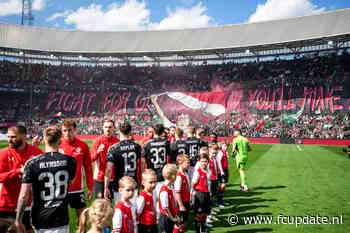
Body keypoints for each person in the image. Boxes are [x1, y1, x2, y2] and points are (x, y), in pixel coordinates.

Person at [15, 126, 76, 233]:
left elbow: (24, 195)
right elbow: (69, 183)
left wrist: (18, 219)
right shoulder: (70, 161)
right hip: (61, 217)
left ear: (44, 140)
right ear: (60, 140)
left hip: (41, 217)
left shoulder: (32, 163)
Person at [0, 125, 43, 233]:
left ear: (24, 136)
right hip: (7, 205)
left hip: (28, 205)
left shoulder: (36, 152)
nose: (9, 140)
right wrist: (18, 171)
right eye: (8, 136)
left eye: (13, 137)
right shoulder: (3, 153)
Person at [59, 119, 93, 219]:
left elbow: (88, 168)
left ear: (75, 130)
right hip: (61, 189)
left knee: (82, 219)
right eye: (64, 130)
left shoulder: (83, 146)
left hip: (78, 188)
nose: (67, 133)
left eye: (70, 130)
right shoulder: (57, 145)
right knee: (61, 220)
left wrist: (90, 187)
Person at [105, 122, 142, 202]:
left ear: (118, 131)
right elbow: (141, 165)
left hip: (119, 185)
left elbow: (108, 169)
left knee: (120, 210)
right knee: (133, 211)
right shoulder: (137, 146)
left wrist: (106, 187)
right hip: (133, 183)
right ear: (130, 132)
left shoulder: (113, 148)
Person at [91, 119, 120, 199]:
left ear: (114, 128)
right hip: (99, 178)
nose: (108, 129)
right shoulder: (97, 141)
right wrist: (97, 152)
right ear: (102, 128)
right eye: (106, 127)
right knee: (100, 204)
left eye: (110, 127)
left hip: (113, 178)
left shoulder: (117, 142)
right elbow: (90, 159)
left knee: (110, 204)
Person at [142, 124, 171, 191]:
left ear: (154, 131)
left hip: (151, 176)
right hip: (163, 174)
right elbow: (169, 159)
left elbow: (143, 162)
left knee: (152, 199)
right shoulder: (167, 143)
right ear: (162, 132)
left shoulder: (146, 144)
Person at [158, 164, 181, 233]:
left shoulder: (170, 187)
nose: (177, 176)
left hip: (171, 215)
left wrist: (176, 215)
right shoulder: (164, 191)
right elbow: (165, 208)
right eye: (176, 174)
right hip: (166, 218)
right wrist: (173, 218)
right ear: (172, 176)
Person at [192, 153, 211, 233]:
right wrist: (193, 193)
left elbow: (208, 183)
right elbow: (193, 183)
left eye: (206, 161)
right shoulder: (197, 172)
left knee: (205, 214)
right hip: (200, 195)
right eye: (202, 161)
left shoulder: (208, 171)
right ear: (199, 162)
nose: (204, 163)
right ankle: (197, 230)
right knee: (198, 215)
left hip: (206, 194)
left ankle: (203, 229)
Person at [174, 154, 190, 232]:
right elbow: (177, 192)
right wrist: (180, 205)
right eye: (187, 163)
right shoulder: (179, 176)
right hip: (181, 203)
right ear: (180, 163)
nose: (189, 164)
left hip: (186, 201)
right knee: (179, 223)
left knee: (184, 222)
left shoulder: (185, 173)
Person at [216, 141, 229, 208]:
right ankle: (219, 201)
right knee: (222, 185)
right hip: (222, 171)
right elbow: (219, 162)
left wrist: (228, 170)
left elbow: (226, 162)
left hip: (225, 170)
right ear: (221, 146)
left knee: (224, 185)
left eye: (227, 146)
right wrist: (221, 171)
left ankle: (221, 200)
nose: (226, 147)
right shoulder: (220, 152)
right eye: (225, 146)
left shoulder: (225, 152)